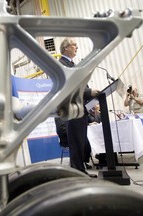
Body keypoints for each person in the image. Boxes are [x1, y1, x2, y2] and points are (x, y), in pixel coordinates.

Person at [56, 38, 100, 178]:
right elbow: (70, 87)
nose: (77, 47)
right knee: (75, 142)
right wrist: (89, 92)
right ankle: (77, 173)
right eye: (74, 45)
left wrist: (90, 104)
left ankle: (80, 171)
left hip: (81, 109)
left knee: (80, 141)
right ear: (65, 48)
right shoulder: (62, 64)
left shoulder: (73, 65)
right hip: (72, 110)